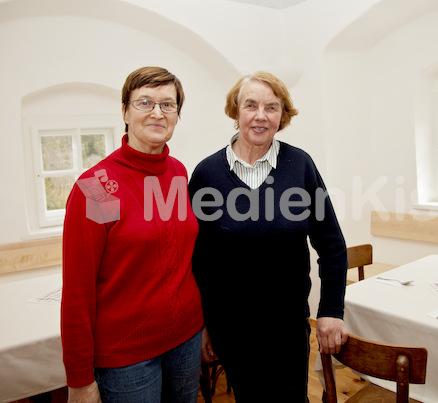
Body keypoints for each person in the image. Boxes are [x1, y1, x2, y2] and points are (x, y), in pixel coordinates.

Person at [189, 71, 348, 402]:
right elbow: (198, 259)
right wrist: (202, 324)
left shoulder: (300, 166)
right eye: (251, 105)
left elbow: (331, 244)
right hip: (230, 330)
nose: (260, 116)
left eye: (271, 107)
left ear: (282, 116)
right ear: (236, 112)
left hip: (287, 327)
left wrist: (330, 310)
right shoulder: (207, 174)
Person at [61, 66, 203, 402]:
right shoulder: (98, 188)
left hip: (186, 339)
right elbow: (78, 293)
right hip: (127, 357)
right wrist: (80, 378)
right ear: (125, 111)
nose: (157, 112)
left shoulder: (178, 172)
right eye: (145, 102)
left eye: (168, 105)